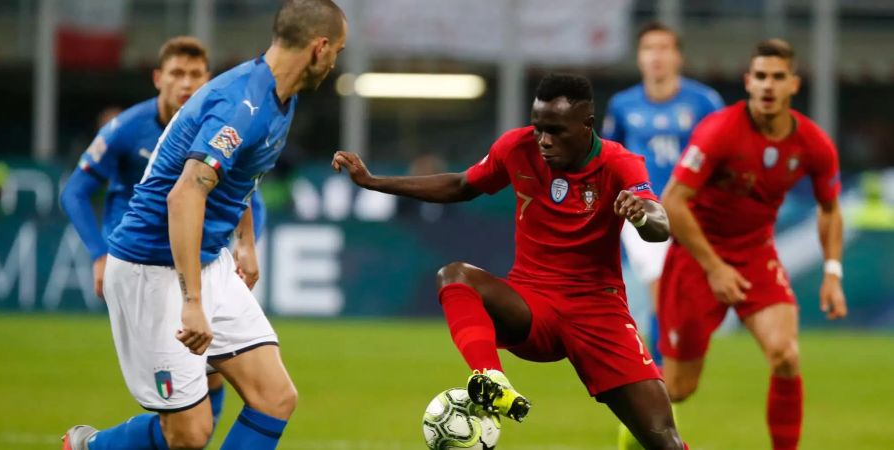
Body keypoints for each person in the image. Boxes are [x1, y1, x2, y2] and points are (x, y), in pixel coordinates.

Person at [334, 73, 690, 449]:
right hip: (531, 306)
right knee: (455, 275)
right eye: (538, 128)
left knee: (664, 440)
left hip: (598, 314)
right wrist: (374, 182)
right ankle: (491, 378)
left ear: (586, 125)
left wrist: (639, 215)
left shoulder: (619, 162)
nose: (544, 141)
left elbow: (660, 225)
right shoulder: (517, 148)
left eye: (555, 131)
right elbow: (461, 185)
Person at [61, 1, 347, 449]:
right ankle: (89, 447)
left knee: (275, 398)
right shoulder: (241, 104)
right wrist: (192, 300)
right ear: (320, 47)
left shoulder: (280, 98)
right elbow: (184, 195)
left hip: (210, 259)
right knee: (190, 435)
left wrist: (246, 242)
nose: (336, 62)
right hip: (154, 271)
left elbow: (241, 177)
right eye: (338, 51)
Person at [659, 39, 847, 450]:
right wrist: (714, 268)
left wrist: (832, 272)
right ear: (748, 81)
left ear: (793, 85)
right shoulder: (720, 131)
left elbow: (830, 209)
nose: (768, 85)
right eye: (760, 76)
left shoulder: (813, 144)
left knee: (785, 354)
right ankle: (632, 437)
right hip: (695, 257)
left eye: (778, 77)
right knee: (676, 388)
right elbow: (673, 201)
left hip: (755, 254)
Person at [602, 21, 724, 370]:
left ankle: (654, 369)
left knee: (679, 303)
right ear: (640, 58)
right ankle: (653, 374)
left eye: (664, 48)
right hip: (643, 210)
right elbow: (612, 155)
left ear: (677, 57)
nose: (656, 56)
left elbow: (719, 155)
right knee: (661, 289)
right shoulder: (623, 105)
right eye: (649, 49)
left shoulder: (704, 102)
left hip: (690, 213)